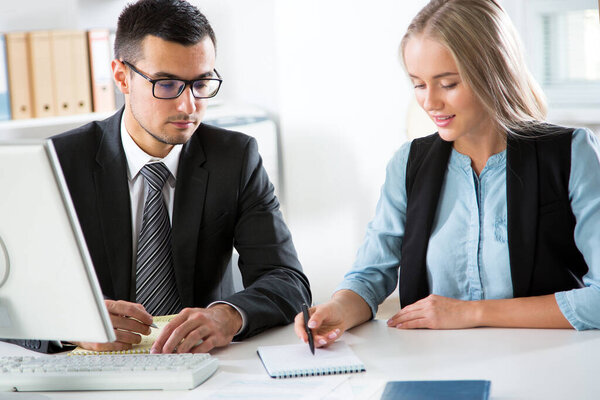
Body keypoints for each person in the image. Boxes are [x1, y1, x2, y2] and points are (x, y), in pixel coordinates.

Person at [295, 0, 600, 347]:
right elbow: (369, 276)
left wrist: (472, 313)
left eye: (448, 83)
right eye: (419, 84)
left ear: (494, 72)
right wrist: (336, 309)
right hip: (431, 365)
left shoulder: (571, 153)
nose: (430, 102)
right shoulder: (407, 163)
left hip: (548, 363)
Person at [50, 0, 310, 354]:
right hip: (93, 369)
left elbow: (287, 280)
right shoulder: (60, 161)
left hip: (203, 364)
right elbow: (11, 292)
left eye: (202, 84)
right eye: (167, 84)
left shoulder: (234, 157)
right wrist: (67, 323)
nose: (188, 106)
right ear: (122, 77)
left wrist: (228, 315)